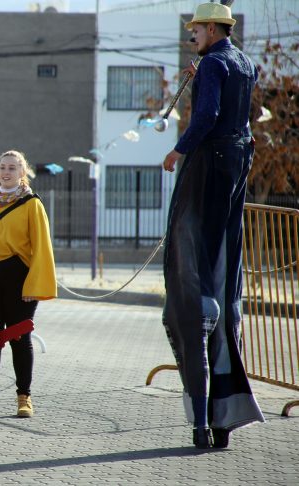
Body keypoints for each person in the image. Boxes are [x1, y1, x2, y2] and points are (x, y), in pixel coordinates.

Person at [161, 2, 264, 449]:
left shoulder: (213, 63)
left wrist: (178, 151)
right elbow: (238, 115)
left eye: (195, 30)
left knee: (190, 290)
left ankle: (203, 421)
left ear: (212, 28)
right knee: (222, 265)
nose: (191, 37)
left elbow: (205, 118)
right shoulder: (243, 62)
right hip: (237, 163)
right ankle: (221, 417)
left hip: (210, 165)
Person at [0, 150, 57, 419]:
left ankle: (24, 397)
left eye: (12, 168)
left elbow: (42, 247)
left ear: (22, 172)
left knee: (20, 339)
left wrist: (35, 285)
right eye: (2, 167)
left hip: (20, 281)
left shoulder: (32, 204)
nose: (6, 172)